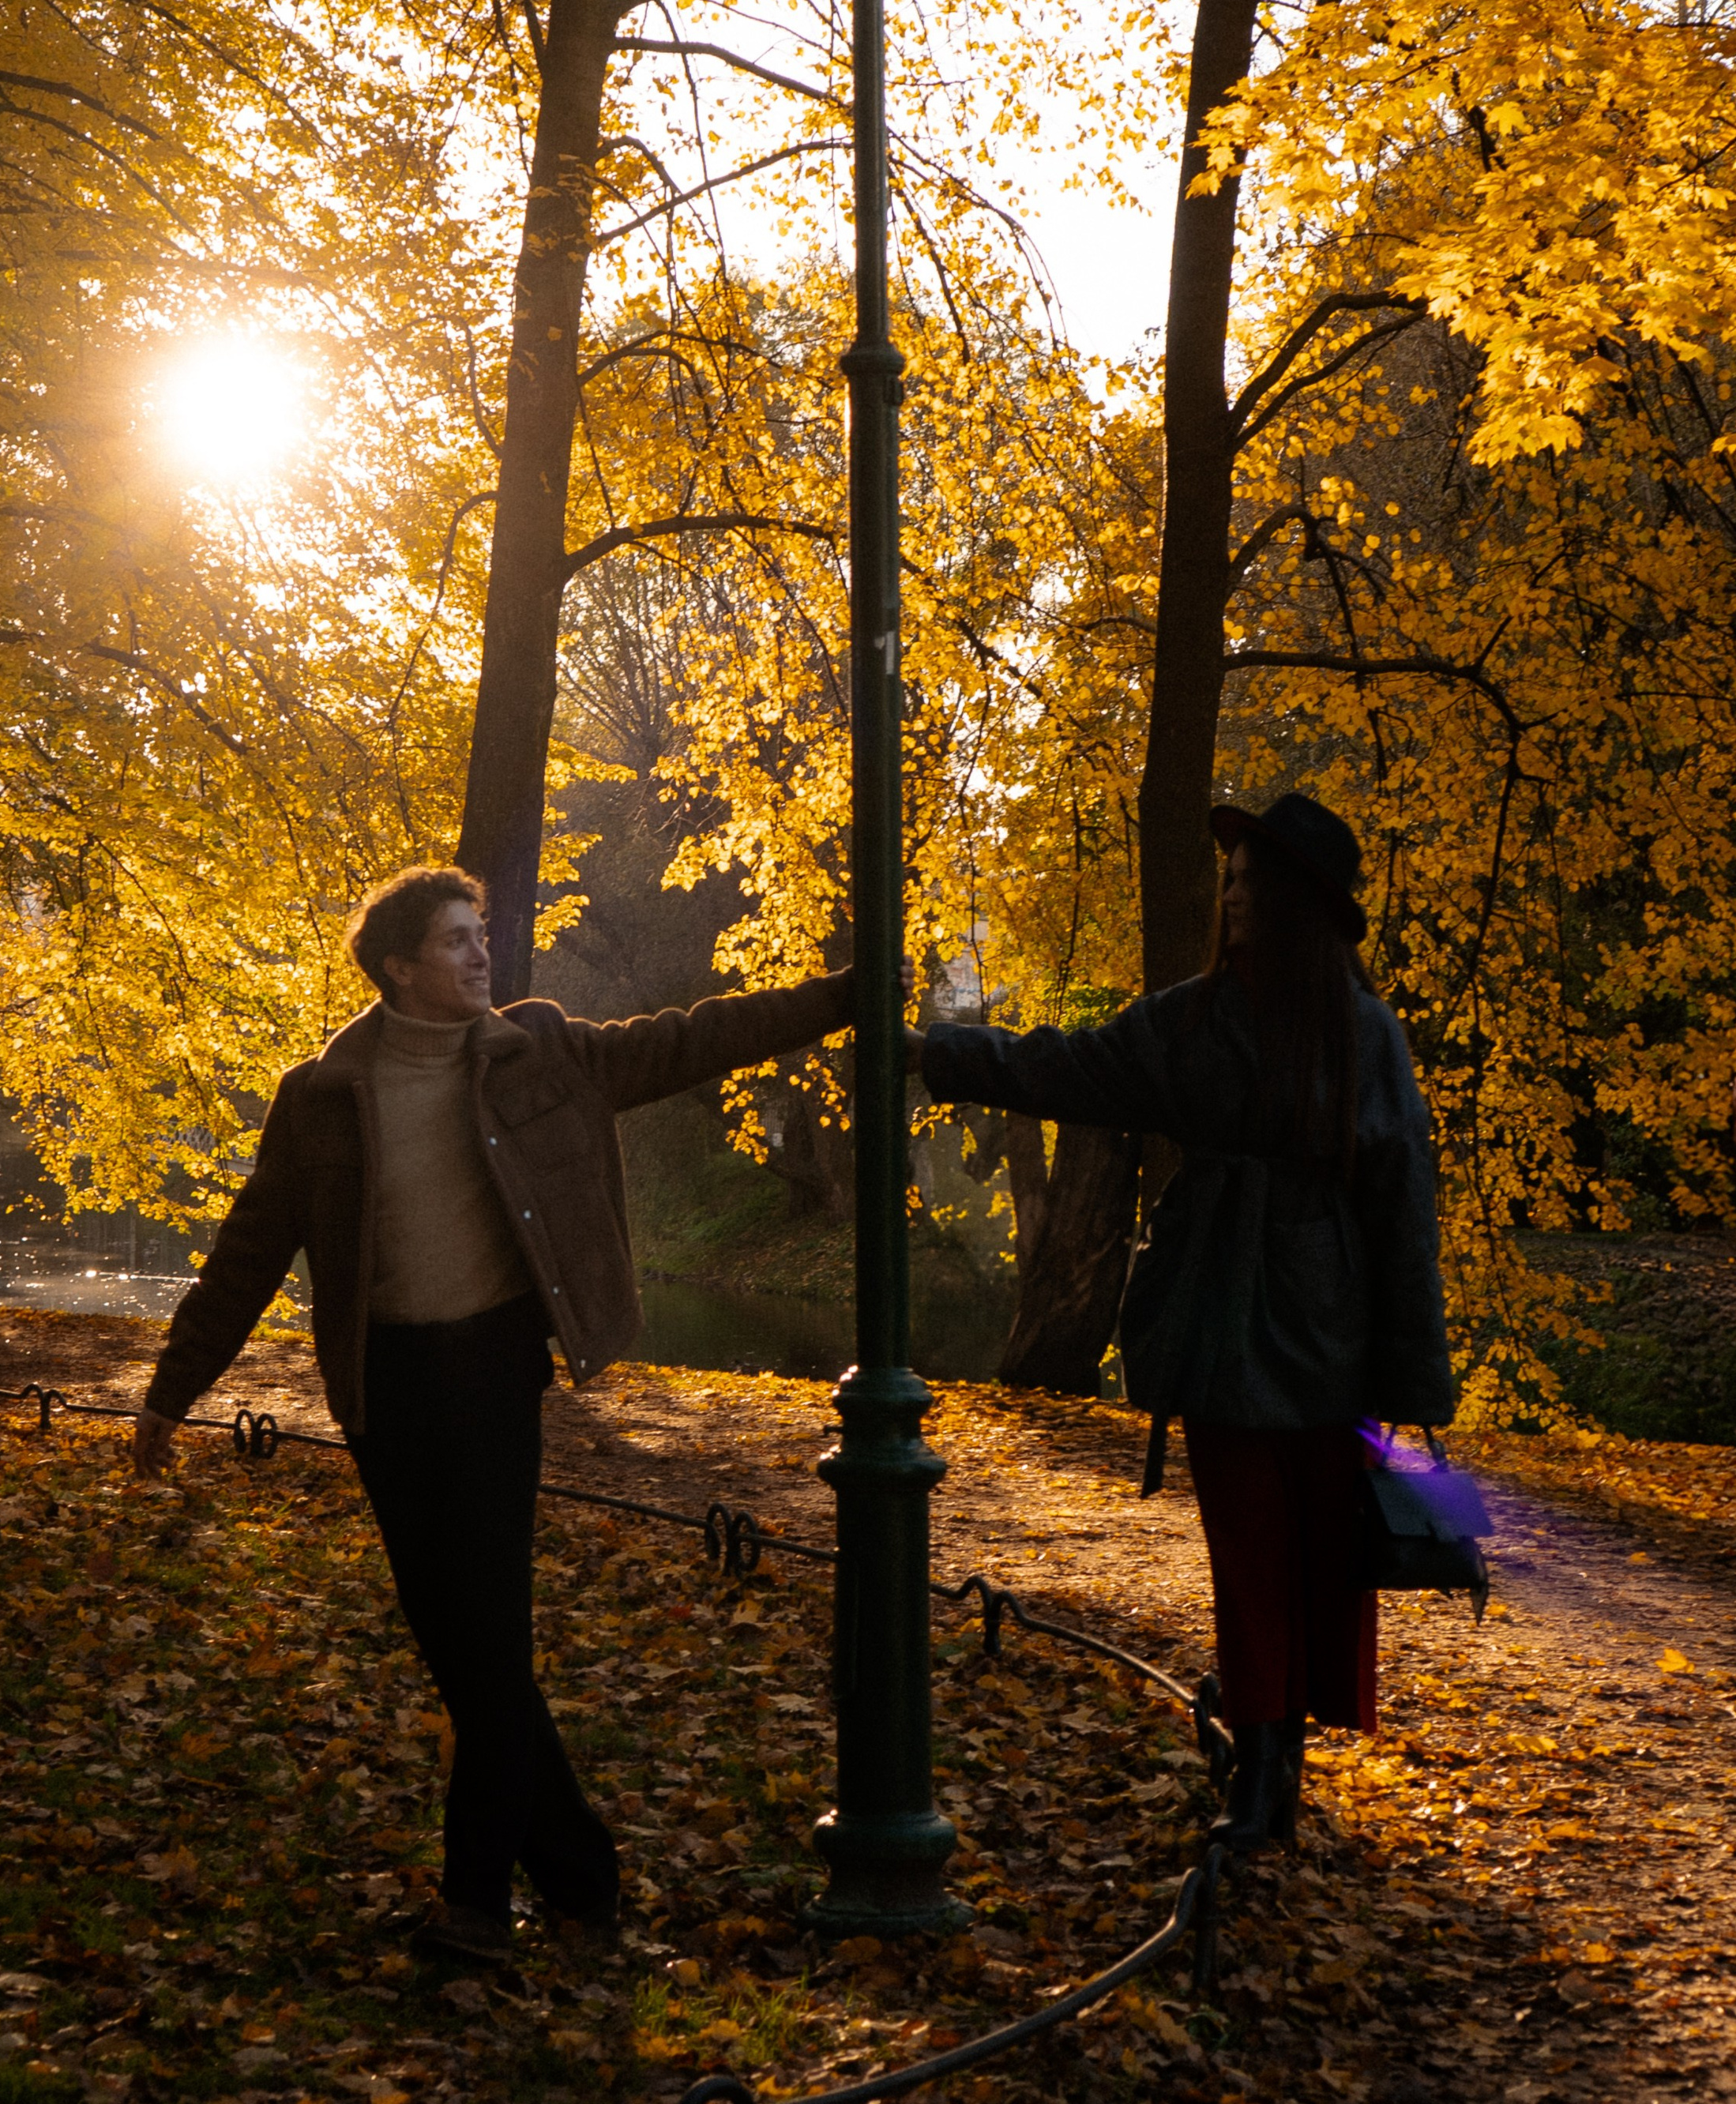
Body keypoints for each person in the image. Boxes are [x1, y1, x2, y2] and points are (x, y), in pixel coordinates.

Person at [133, 867, 850, 1961]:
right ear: (397, 969)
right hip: (387, 1394)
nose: (482, 957)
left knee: (491, 1644)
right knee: (465, 1654)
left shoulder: (539, 1052)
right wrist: (171, 1393)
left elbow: (694, 1037)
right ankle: (580, 1883)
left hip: (492, 1376)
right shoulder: (323, 1095)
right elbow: (245, 1255)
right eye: (458, 942)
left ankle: (476, 1906)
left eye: (482, 938)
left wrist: (842, 995)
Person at [910, 793, 1452, 1851]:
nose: (1233, 893)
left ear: (1295, 900)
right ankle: (1263, 1772)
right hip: (1230, 1323)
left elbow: (1401, 1202)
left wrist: (1412, 1386)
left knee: (1309, 1557)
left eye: (1252, 878)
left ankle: (1272, 1768)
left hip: (1302, 1328)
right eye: (1232, 877)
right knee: (1254, 1551)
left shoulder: (1350, 1033)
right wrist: (943, 1054)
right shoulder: (1207, 1021)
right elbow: (1063, 1066)